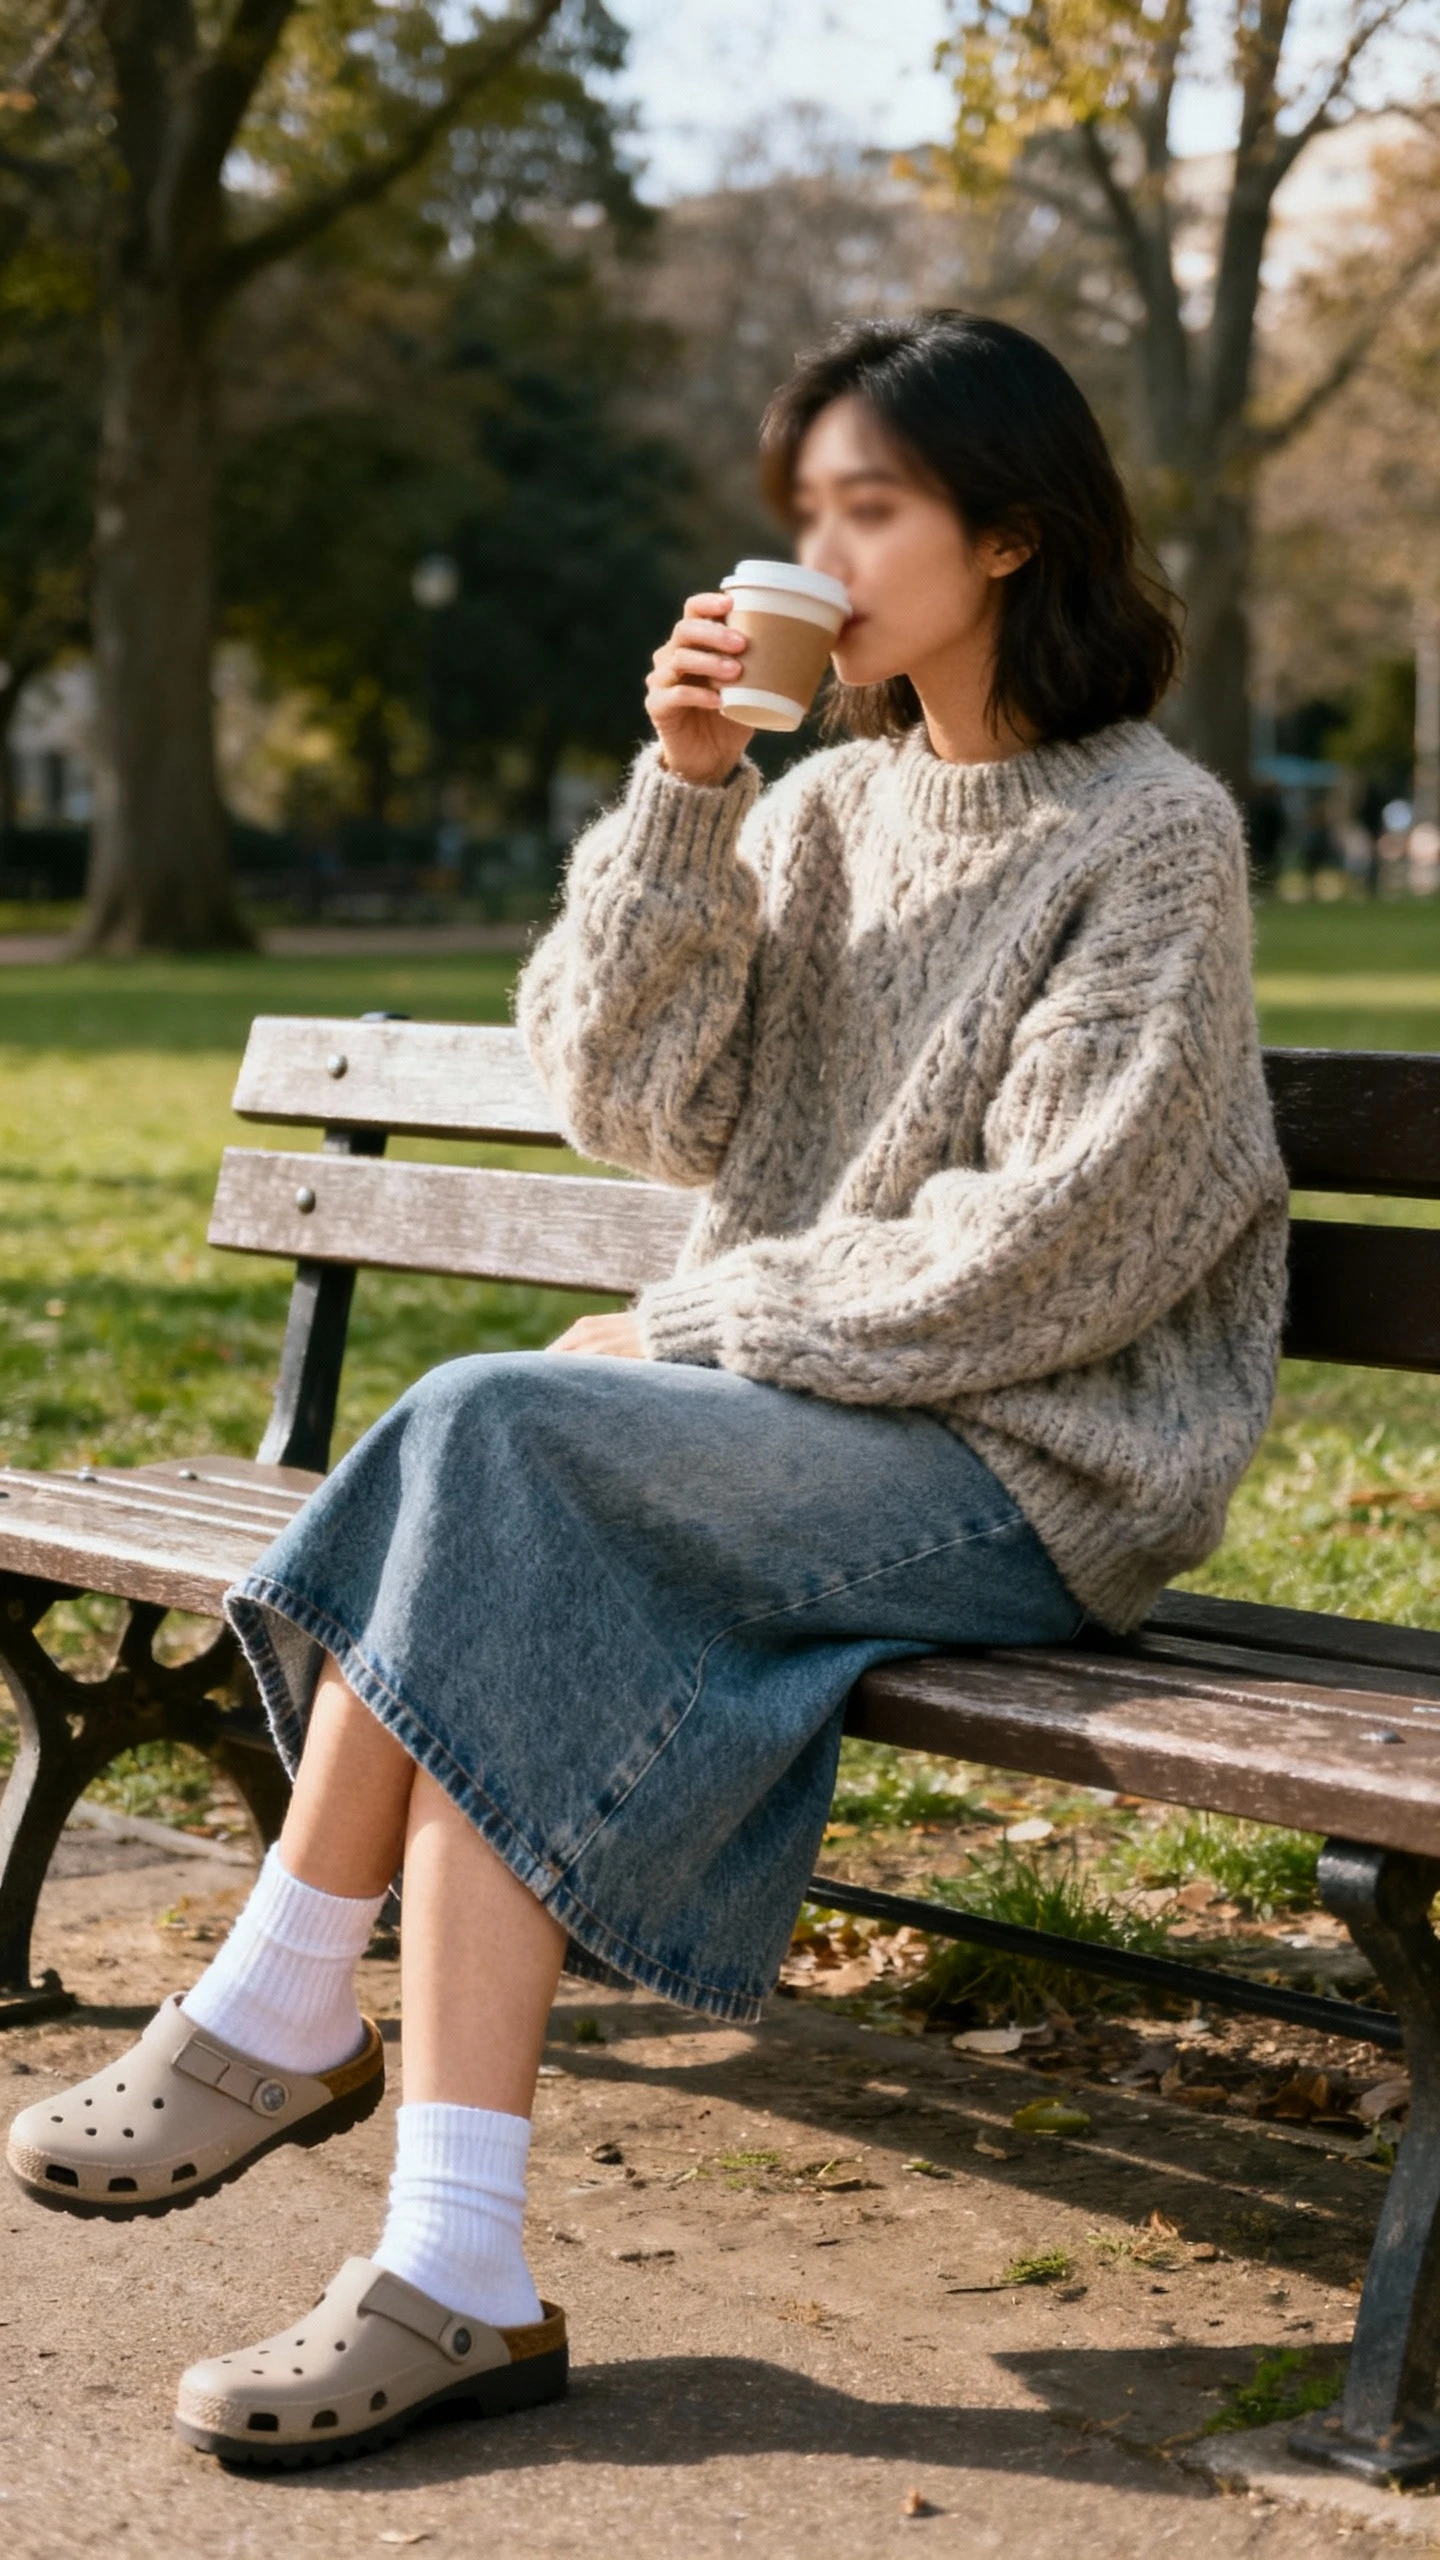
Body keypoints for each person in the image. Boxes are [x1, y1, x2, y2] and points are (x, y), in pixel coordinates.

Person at [8, 311, 1288, 2468]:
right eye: (805, 512)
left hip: (1034, 1466)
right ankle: (458, 2264)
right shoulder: (829, 806)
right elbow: (628, 1097)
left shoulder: (1153, 837)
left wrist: (697, 1328)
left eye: (869, 507)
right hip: (801, 1433)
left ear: (1009, 533)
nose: (818, 550)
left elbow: (1054, 1249)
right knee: (519, 1540)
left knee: (497, 1433)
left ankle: (283, 2002)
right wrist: (689, 794)